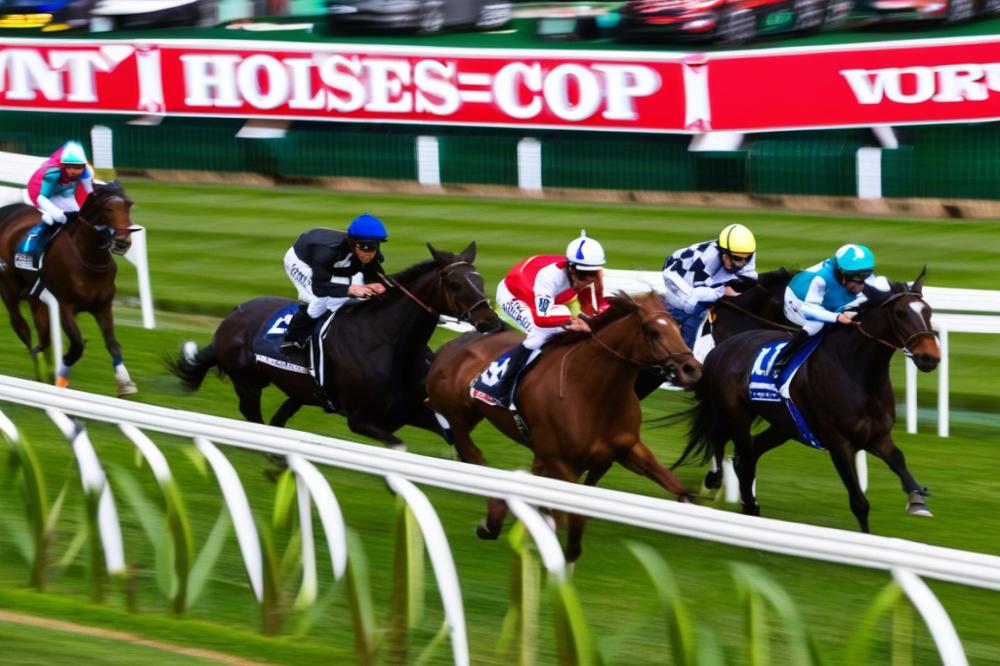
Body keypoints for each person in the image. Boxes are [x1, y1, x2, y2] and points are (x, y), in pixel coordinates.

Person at [475, 230, 608, 409]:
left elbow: (595, 309)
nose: (588, 280)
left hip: (543, 299)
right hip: (514, 296)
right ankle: (500, 389)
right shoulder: (549, 277)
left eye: (593, 273)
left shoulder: (591, 276)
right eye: (584, 275)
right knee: (540, 335)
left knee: (577, 328)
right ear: (571, 268)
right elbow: (542, 318)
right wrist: (570, 320)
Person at [770, 243, 891, 379]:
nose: (863, 278)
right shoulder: (820, 279)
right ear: (841, 271)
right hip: (798, 302)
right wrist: (837, 317)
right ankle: (782, 359)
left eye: (866, 273)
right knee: (817, 324)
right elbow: (809, 311)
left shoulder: (859, 272)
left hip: (829, 302)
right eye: (858, 275)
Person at [281, 213, 389, 352]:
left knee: (357, 291)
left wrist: (378, 285)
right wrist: (349, 289)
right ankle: (293, 339)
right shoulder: (328, 252)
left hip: (331, 261)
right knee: (318, 300)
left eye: (373, 247)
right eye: (364, 247)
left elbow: (374, 273)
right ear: (352, 242)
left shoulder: (367, 250)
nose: (369, 253)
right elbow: (319, 288)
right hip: (301, 261)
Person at [661, 223, 758, 348]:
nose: (742, 263)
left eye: (746, 259)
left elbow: (749, 277)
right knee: (692, 314)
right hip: (679, 279)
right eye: (737, 259)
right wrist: (723, 291)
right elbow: (697, 295)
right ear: (724, 254)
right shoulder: (706, 260)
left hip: (706, 280)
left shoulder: (745, 254)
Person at [18, 141, 94, 269]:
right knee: (51, 219)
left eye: (78, 168)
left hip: (65, 194)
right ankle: (27, 252)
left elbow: (91, 193)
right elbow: (42, 198)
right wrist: (57, 213)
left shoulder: (85, 172)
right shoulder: (54, 173)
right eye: (70, 167)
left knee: (80, 218)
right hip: (44, 194)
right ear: (63, 166)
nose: (74, 171)